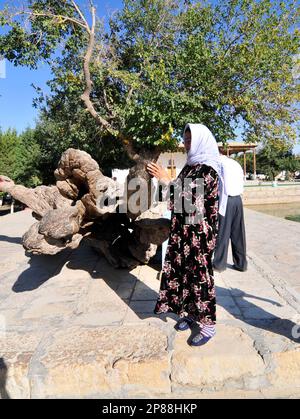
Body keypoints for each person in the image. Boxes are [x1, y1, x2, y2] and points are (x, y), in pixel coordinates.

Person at [147, 124, 227, 347]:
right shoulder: (190, 167)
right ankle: (190, 313)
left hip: (199, 235)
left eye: (191, 139)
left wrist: (166, 179)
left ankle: (208, 323)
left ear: (202, 140)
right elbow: (176, 201)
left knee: (200, 276)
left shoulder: (209, 169)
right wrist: (164, 182)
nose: (186, 143)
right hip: (183, 231)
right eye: (185, 139)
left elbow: (192, 201)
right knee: (182, 273)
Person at [213, 152, 247, 272]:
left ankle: (219, 264)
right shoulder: (235, 163)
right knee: (238, 233)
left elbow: (218, 185)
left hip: (226, 200)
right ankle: (241, 264)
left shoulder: (218, 164)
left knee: (223, 233)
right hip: (238, 199)